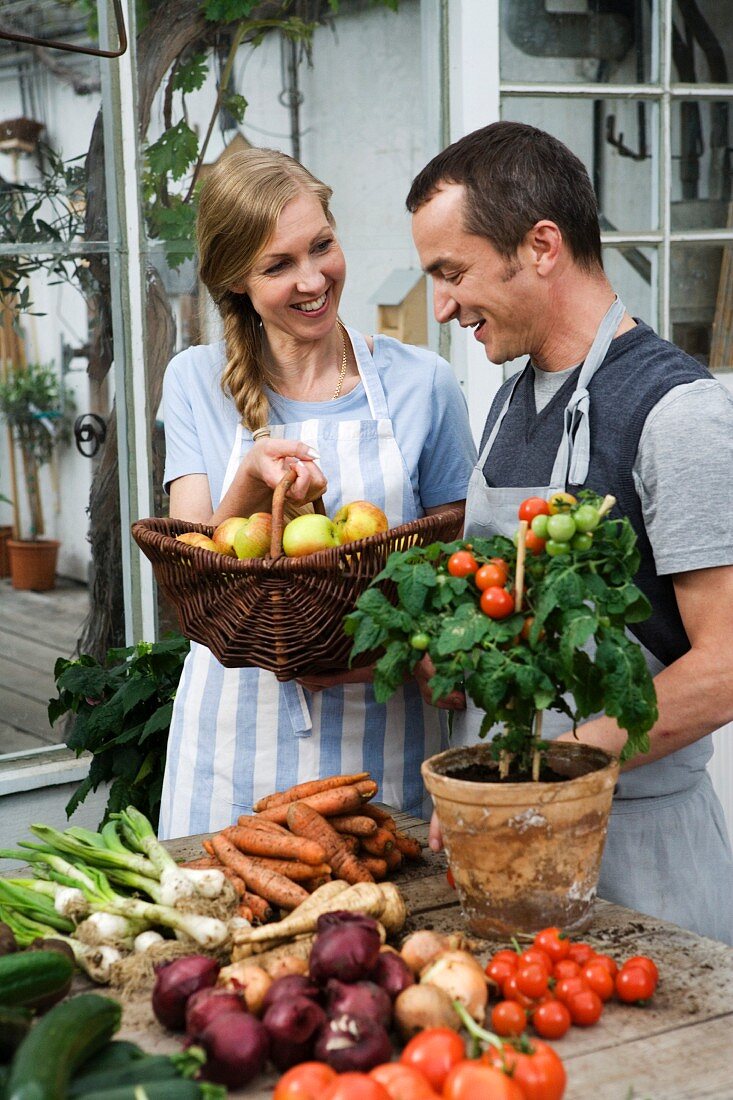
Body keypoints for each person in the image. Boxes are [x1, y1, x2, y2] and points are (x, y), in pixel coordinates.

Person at [406, 121, 733, 944]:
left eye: (452, 273)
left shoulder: (677, 412)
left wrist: (553, 772)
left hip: (641, 849)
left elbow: (726, 664)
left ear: (541, 245)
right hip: (511, 842)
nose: (441, 306)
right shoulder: (510, 399)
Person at [158, 147, 477, 840]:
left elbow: (462, 575)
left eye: (322, 247)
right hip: (231, 738)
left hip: (382, 738)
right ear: (236, 280)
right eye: (278, 266)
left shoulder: (423, 383)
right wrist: (247, 482)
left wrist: (394, 655)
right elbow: (191, 573)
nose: (313, 280)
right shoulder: (194, 380)